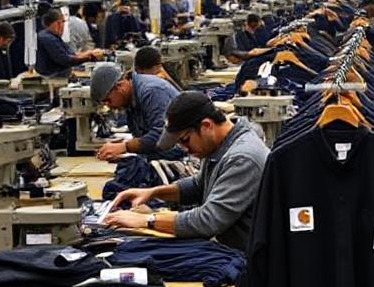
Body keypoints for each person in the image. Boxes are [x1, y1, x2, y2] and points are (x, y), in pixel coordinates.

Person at [103, 91, 269, 251]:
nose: (184, 149)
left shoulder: (242, 159)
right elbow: (198, 186)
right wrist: (152, 192)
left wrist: (147, 220)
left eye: (185, 140)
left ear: (206, 125)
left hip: (248, 261)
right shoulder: (220, 147)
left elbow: (208, 220)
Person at [89, 62, 181, 161]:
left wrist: (125, 146)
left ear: (119, 86)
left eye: (108, 100)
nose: (109, 106)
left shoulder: (151, 91)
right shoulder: (130, 98)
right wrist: (124, 149)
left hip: (180, 154)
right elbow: (143, 137)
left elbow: (163, 137)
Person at [35, 10, 104, 77]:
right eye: (63, 22)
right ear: (57, 24)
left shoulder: (53, 36)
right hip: (53, 76)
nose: (63, 26)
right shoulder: (48, 38)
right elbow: (65, 60)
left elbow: (71, 54)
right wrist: (90, 57)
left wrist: (89, 53)